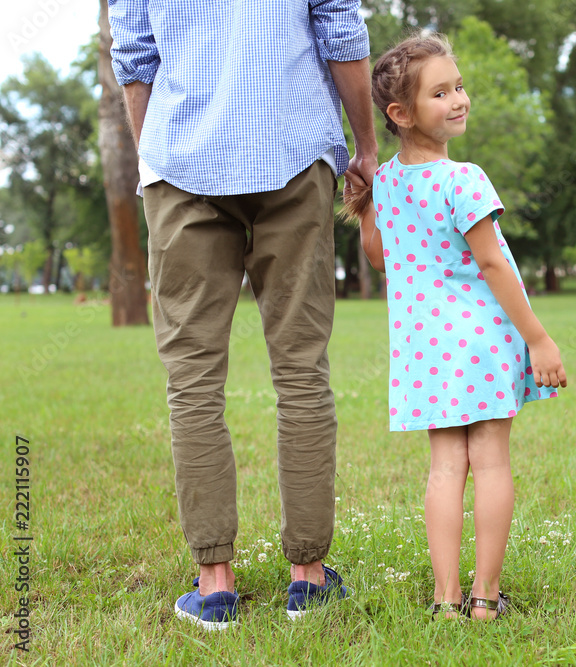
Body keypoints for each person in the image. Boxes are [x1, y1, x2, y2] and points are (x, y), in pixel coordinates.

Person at [108, 0, 377, 629]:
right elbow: (339, 25)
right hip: (292, 146)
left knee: (193, 383)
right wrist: (365, 144)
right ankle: (307, 580)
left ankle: (214, 585)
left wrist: (155, 162)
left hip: (181, 162)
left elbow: (136, 56)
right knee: (302, 370)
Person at [342, 34, 568, 620]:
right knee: (490, 462)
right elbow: (492, 263)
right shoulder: (463, 178)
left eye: (459, 86)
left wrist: (363, 203)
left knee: (445, 468)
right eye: (440, 93)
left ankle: (445, 601)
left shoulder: (386, 183)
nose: (459, 99)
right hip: (480, 341)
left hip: (424, 348)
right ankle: (484, 600)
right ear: (400, 113)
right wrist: (539, 338)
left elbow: (379, 257)